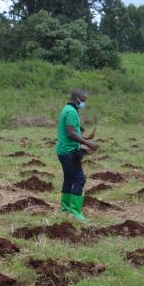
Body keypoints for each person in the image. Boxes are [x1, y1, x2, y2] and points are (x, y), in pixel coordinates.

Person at [55, 89, 97, 222]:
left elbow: (72, 131)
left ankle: (65, 209)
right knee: (79, 179)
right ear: (76, 99)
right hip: (69, 151)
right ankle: (75, 212)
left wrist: (84, 137)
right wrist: (88, 143)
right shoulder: (72, 111)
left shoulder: (67, 108)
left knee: (68, 178)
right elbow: (70, 133)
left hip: (64, 150)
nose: (84, 103)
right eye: (83, 100)